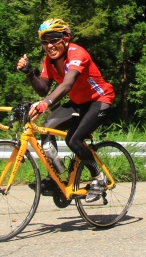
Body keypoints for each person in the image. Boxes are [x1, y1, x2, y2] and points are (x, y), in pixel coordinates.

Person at [16, 18, 115, 202]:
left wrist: (46, 103)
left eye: (54, 39)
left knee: (73, 139)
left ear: (66, 37)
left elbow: (67, 84)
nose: (49, 45)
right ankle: (55, 176)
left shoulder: (78, 53)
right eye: (45, 42)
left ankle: (98, 178)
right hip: (78, 102)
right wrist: (30, 74)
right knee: (46, 127)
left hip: (99, 100)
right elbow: (43, 89)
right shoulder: (49, 61)